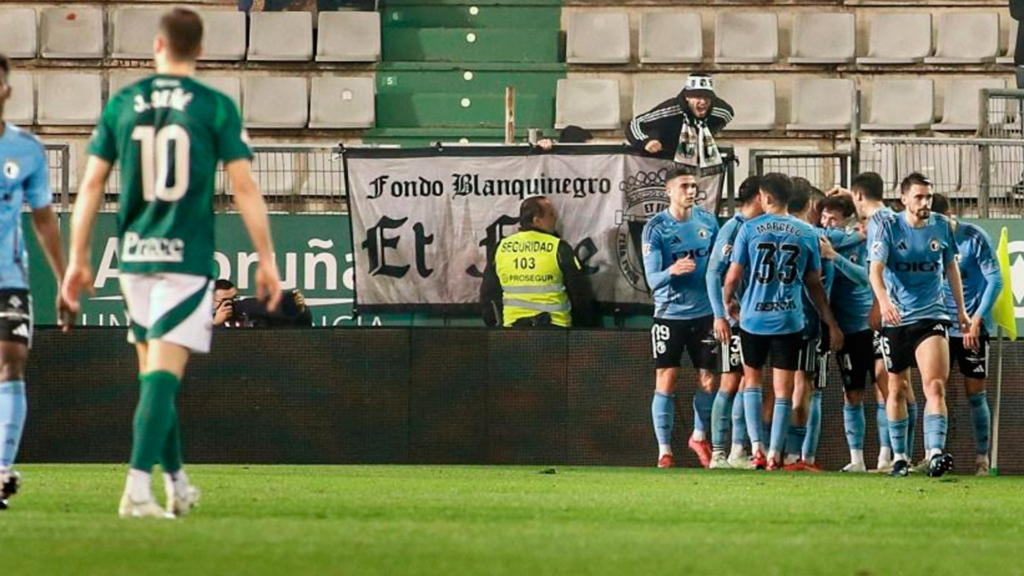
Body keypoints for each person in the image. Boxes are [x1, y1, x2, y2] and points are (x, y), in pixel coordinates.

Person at [61, 8, 282, 518]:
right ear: (198, 51)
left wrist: (77, 259)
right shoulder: (215, 106)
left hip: (135, 258)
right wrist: (265, 259)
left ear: (157, 47)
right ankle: (137, 489)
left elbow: (91, 184)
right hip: (185, 259)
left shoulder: (123, 102)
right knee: (164, 375)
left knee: (153, 375)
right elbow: (244, 186)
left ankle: (178, 484)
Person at [723, 173, 843, 470]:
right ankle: (776, 452)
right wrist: (830, 321)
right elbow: (814, 284)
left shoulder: (749, 229)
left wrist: (729, 301)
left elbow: (733, 276)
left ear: (765, 197)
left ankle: (757, 449)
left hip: (753, 319)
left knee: (751, 383)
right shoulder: (806, 233)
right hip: (789, 319)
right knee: (783, 390)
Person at [0, 53, 73, 510]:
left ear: (6, 91)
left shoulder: (26, 150)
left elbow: (45, 220)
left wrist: (65, 282)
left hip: (9, 276)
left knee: (12, 359)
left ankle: (2, 469)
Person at [869, 173, 969, 478]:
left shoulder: (941, 226)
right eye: (919, 197)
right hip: (897, 318)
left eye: (928, 196)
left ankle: (934, 453)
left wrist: (961, 311)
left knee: (935, 385)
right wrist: (884, 301)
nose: (925, 202)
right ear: (904, 199)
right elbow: (875, 270)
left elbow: (950, 267)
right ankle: (900, 457)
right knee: (895, 388)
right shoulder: (888, 226)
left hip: (932, 315)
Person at [641, 165, 720, 468]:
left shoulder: (707, 221)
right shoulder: (656, 227)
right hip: (669, 314)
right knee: (667, 379)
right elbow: (652, 280)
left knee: (710, 379)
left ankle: (699, 436)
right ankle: (664, 450)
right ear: (669, 192)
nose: (691, 191)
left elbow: (716, 266)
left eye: (693, 186)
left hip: (704, 314)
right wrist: (672, 271)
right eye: (684, 186)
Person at [932, 193, 1003, 475]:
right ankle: (935, 454)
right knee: (936, 390)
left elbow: (995, 279)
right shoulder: (925, 238)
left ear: (948, 214)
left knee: (975, 394)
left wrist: (976, 320)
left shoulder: (973, 237)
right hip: (937, 326)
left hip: (970, 328)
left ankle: (982, 459)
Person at [817, 193, 878, 473]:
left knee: (887, 391)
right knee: (851, 394)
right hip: (846, 331)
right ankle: (857, 460)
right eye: (824, 217)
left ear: (847, 221)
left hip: (871, 327)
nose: (827, 224)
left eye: (833, 219)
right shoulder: (832, 238)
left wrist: (835, 256)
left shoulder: (862, 243)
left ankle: (890, 455)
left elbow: (864, 277)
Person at [706, 176, 763, 469]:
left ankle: (737, 450)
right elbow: (712, 273)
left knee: (745, 382)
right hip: (733, 320)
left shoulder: (758, 227)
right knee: (729, 382)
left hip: (753, 319)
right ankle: (718, 451)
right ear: (758, 196)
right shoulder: (733, 228)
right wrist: (720, 315)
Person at [480, 196, 597, 328]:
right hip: (556, 330)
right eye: (551, 214)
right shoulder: (558, 248)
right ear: (536, 221)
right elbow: (579, 294)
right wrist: (584, 328)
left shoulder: (500, 248)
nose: (556, 218)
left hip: (513, 331)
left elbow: (488, 295)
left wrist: (496, 328)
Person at [626, 73, 733, 213]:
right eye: (697, 97)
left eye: (707, 97)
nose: (703, 102)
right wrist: (646, 141)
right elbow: (635, 124)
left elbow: (726, 116)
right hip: (658, 163)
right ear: (687, 97)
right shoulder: (670, 109)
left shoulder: (721, 112)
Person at [783, 182, 834, 471]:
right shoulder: (812, 235)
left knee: (764, 385)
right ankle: (794, 455)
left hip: (770, 319)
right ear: (810, 205)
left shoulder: (763, 228)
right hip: (805, 320)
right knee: (804, 386)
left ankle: (760, 450)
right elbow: (818, 286)